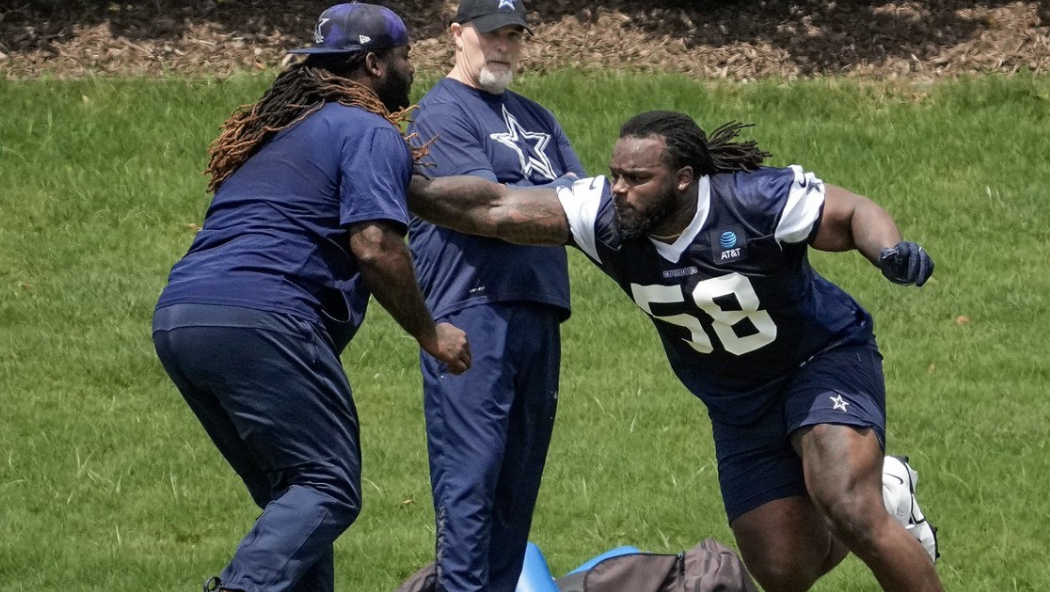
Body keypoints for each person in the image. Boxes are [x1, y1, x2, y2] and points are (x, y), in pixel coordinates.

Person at [408, 110, 943, 592]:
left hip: (819, 360)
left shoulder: (754, 202)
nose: (619, 189)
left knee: (848, 505)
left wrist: (888, 250)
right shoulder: (600, 216)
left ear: (683, 180)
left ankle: (875, 506)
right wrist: (401, 185)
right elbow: (495, 207)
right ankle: (890, 493)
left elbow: (852, 214)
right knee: (785, 569)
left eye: (637, 179)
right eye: (616, 174)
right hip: (735, 399)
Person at [151, 4, 471, 592]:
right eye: (405, 59)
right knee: (327, 486)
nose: (410, 71)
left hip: (182, 316)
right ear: (374, 63)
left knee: (297, 498)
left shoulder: (276, 133)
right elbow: (375, 245)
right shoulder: (369, 129)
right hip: (265, 315)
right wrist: (431, 332)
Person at [405, 1, 586, 591]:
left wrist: (536, 199)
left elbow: (584, 210)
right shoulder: (440, 114)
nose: (504, 46)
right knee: (471, 482)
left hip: (540, 309)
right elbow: (489, 211)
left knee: (517, 487)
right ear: (457, 35)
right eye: (491, 34)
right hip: (470, 311)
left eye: (515, 35)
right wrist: (544, 197)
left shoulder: (539, 116)